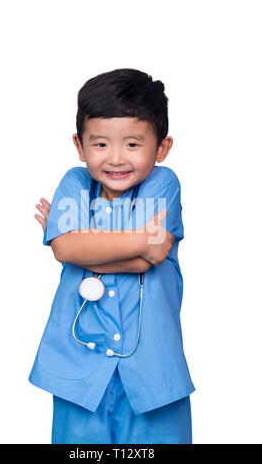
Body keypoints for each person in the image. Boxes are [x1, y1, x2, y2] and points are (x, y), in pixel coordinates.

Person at [29, 68, 195, 444]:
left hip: (153, 374)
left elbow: (145, 258)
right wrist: (137, 243)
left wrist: (78, 244)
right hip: (78, 372)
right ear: (80, 144)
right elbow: (66, 250)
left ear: (162, 147)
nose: (116, 158)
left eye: (133, 144)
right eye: (100, 144)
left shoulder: (162, 182)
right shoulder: (74, 181)